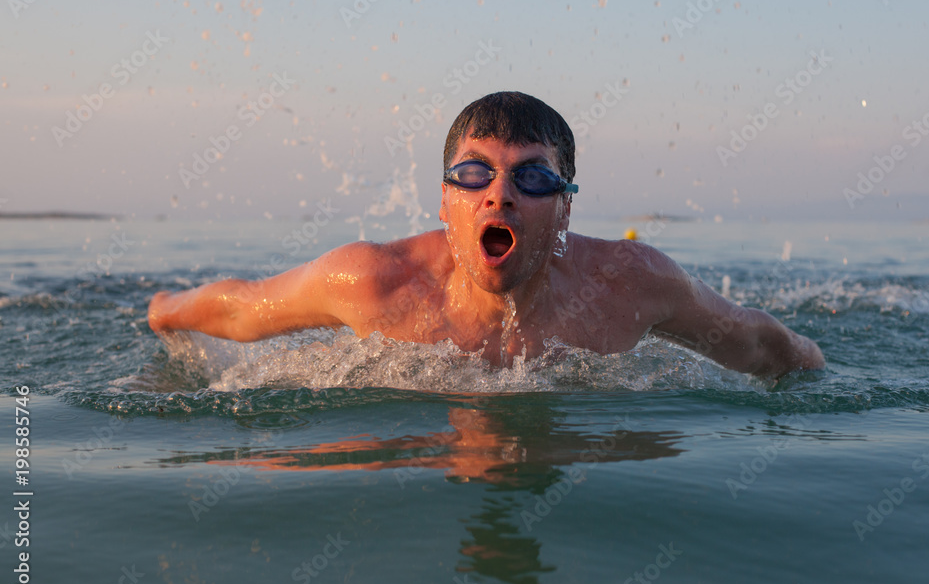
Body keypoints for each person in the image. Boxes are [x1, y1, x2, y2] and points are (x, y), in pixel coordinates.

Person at [148, 91, 824, 379]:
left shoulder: (629, 284)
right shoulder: (376, 282)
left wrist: (828, 379)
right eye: (474, 174)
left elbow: (761, 342)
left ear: (564, 209)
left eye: (532, 180)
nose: (498, 193)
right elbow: (242, 308)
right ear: (446, 200)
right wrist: (164, 313)